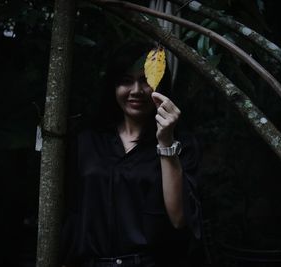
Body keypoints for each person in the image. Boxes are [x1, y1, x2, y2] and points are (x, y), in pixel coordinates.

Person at [60, 40, 202, 267]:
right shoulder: (87, 139)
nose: (136, 91)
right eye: (126, 82)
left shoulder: (181, 143)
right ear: (113, 87)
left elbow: (179, 219)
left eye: (145, 81)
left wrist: (166, 140)